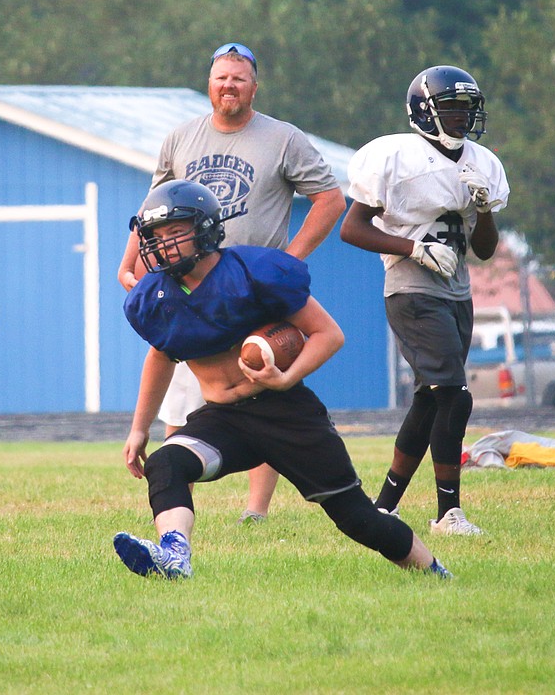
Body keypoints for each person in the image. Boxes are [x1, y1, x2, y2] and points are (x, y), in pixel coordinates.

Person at [112, 179, 450, 580]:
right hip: (222, 417)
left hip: (286, 411)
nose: (163, 244)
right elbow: (160, 354)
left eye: (174, 232)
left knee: (356, 517)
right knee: (166, 462)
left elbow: (328, 334)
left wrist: (286, 376)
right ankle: (174, 553)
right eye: (157, 236)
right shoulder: (156, 297)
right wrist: (138, 429)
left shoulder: (254, 272)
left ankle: (433, 571)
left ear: (204, 229)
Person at [117, 42, 345, 524]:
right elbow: (153, 208)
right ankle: (177, 498)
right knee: (181, 397)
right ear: (209, 84)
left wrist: (288, 258)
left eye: (239, 78)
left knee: (261, 381)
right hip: (189, 285)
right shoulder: (181, 137)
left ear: (254, 87)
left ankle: (255, 510)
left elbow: (329, 199)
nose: (229, 86)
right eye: (221, 77)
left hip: (253, 290)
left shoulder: (283, 138)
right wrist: (132, 263)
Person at [340, 65, 508, 536]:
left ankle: (383, 507)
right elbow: (351, 228)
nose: (461, 118)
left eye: (467, 109)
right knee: (454, 395)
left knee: (431, 400)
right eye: (452, 108)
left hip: (458, 290)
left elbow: (486, 249)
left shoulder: (481, 161)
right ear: (425, 111)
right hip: (411, 288)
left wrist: (482, 209)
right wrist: (413, 248)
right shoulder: (395, 156)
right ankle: (447, 513)